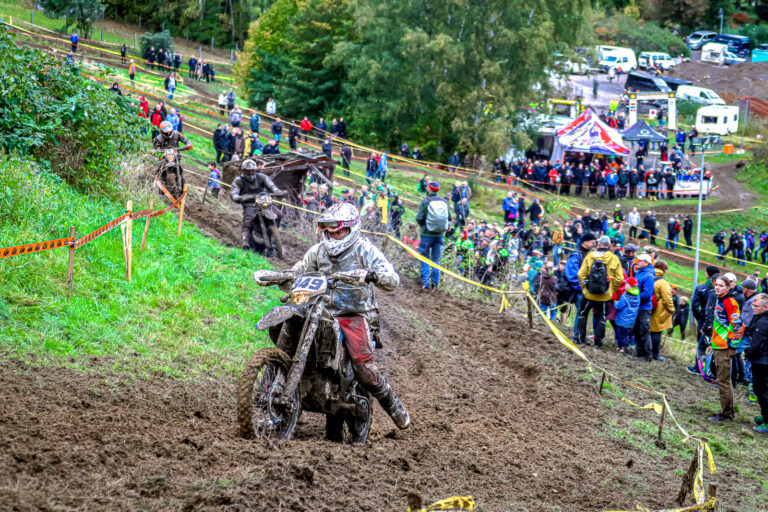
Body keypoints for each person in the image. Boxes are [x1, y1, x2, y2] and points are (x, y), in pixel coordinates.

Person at [263, 202, 410, 429]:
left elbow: (392, 279)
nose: (333, 235)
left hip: (354, 312)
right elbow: (299, 270)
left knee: (364, 367)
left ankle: (392, 404)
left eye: (338, 231)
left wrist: (372, 275)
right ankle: (281, 393)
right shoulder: (318, 250)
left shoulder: (364, 249)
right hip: (318, 308)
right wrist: (282, 277)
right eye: (328, 231)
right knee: (288, 321)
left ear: (351, 229)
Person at [707, 275, 744, 422]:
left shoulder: (730, 301)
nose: (717, 287)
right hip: (718, 343)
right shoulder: (719, 299)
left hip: (725, 346)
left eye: (721, 285)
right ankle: (727, 410)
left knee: (723, 380)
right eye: (716, 285)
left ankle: (726, 413)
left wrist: (733, 342)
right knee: (721, 379)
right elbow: (719, 323)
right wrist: (712, 341)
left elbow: (738, 324)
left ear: (728, 288)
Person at [576, 235, 623, 348]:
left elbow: (580, 274)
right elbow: (619, 278)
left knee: (582, 313)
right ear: (609, 245)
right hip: (604, 295)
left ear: (599, 244)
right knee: (602, 316)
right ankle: (598, 342)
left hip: (589, 294)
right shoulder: (614, 258)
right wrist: (611, 289)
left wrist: (585, 287)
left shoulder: (590, 256)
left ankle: (580, 339)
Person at [230, 159, 285, 251]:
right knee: (248, 219)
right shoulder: (238, 181)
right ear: (243, 171)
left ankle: (274, 233)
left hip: (264, 202)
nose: (251, 173)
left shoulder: (262, 177)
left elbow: (271, 185)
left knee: (279, 214)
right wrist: (238, 197)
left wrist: (277, 192)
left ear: (256, 170)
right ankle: (245, 241)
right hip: (250, 203)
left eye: (253, 171)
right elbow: (234, 193)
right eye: (248, 171)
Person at [415, 181, 451, 290]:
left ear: (429, 190)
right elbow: (449, 217)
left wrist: (424, 226)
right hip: (440, 235)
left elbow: (419, 218)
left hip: (426, 234)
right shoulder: (444, 201)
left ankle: (425, 283)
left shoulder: (425, 201)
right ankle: (435, 284)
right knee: (436, 259)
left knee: (424, 257)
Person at [566, 233, 597, 343]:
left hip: (591, 289)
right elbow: (571, 274)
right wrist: (581, 287)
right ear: (585, 242)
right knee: (581, 313)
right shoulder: (576, 254)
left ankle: (581, 337)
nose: (594, 244)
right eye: (592, 241)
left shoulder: (592, 254)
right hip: (581, 290)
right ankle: (577, 337)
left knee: (585, 313)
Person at [746, 293, 768, 433]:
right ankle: (765, 415)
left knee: (762, 391)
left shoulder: (763, 322)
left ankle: (767, 422)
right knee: (761, 391)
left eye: (756, 306)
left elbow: (756, 345)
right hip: (762, 360)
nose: (754, 308)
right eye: (753, 305)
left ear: (765, 307)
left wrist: (748, 353)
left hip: (762, 362)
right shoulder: (760, 318)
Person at [650, 261, 675, 361]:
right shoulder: (662, 282)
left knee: (649, 332)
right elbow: (667, 298)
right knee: (657, 333)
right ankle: (655, 354)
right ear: (664, 270)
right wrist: (672, 309)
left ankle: (646, 351)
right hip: (659, 310)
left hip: (649, 308)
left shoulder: (649, 276)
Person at [633, 253, 656, 361]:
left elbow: (647, 294)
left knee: (644, 331)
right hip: (638, 307)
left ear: (646, 263)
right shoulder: (640, 272)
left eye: (640, 260)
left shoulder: (648, 276)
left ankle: (647, 355)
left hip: (644, 308)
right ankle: (640, 352)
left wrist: (633, 297)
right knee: (637, 330)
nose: (638, 262)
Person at [614, 277, 640, 353]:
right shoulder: (637, 295)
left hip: (622, 320)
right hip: (631, 320)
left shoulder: (624, 296)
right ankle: (630, 346)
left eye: (626, 284)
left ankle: (621, 347)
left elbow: (619, 307)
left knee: (621, 335)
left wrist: (615, 302)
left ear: (628, 286)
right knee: (629, 334)